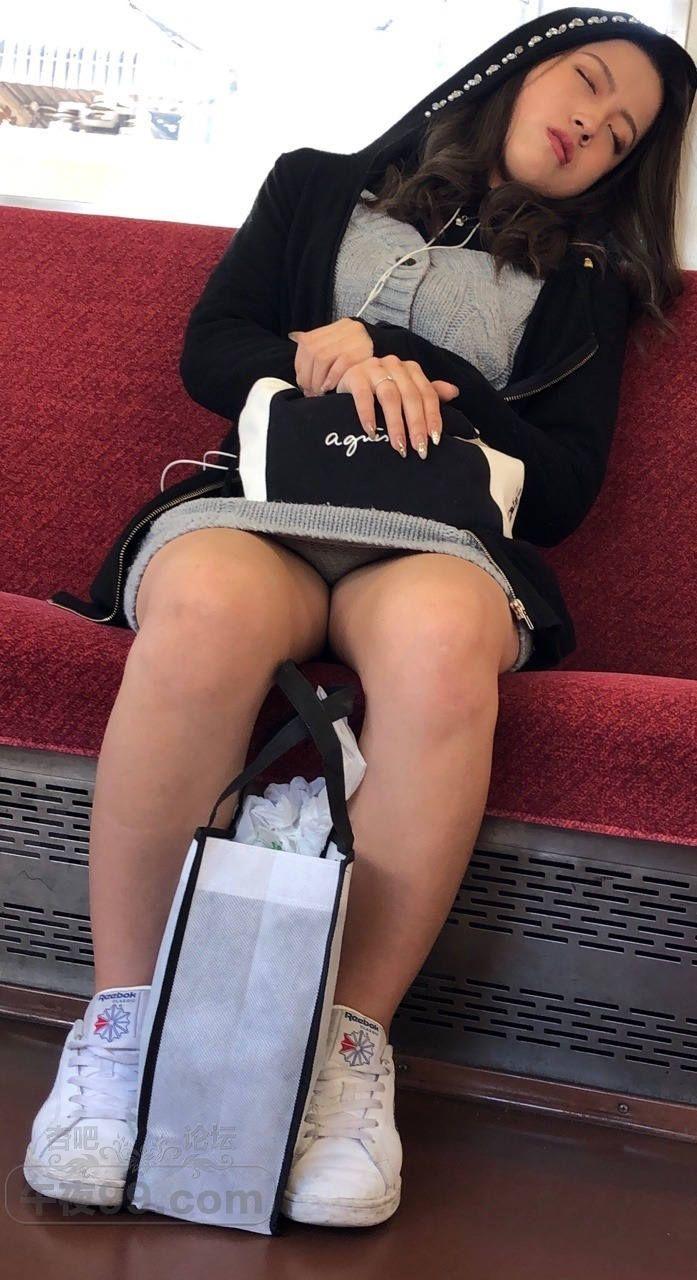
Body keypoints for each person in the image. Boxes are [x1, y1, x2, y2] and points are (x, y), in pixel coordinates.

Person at [28, 6, 696, 1230]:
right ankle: (120, 1037)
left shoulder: (588, 281)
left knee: (442, 642)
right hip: (265, 509)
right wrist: (322, 352)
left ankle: (344, 1063)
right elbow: (210, 350)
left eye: (619, 136)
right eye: (587, 83)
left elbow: (564, 486)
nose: (590, 126)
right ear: (516, 66)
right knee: (205, 606)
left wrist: (420, 375)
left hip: (435, 542)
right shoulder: (315, 184)